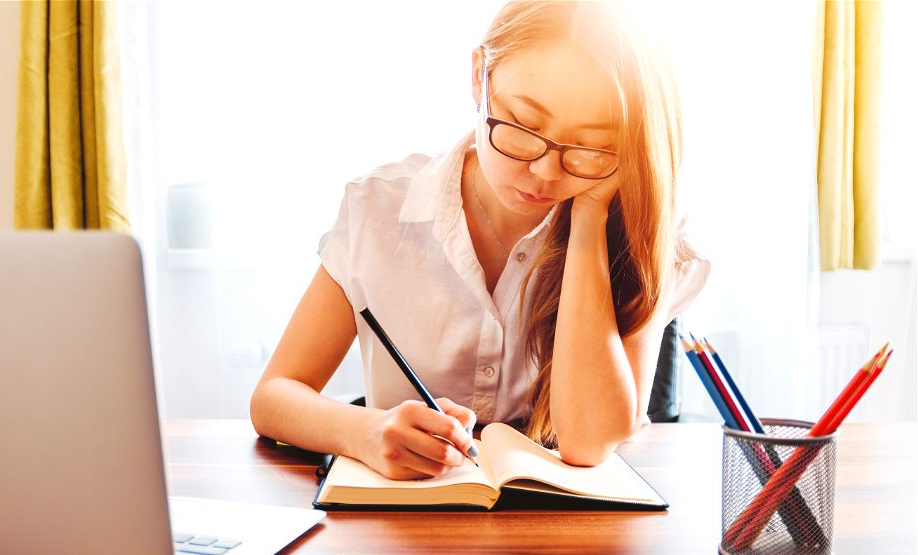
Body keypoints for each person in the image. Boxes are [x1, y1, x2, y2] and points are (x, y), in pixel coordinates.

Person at [250, 0, 708, 480]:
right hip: (400, 531)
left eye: (589, 146)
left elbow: (589, 442)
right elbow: (274, 394)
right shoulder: (380, 210)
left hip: (563, 540)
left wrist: (591, 217)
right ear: (478, 77)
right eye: (523, 126)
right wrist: (365, 431)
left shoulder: (640, 238)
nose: (544, 171)